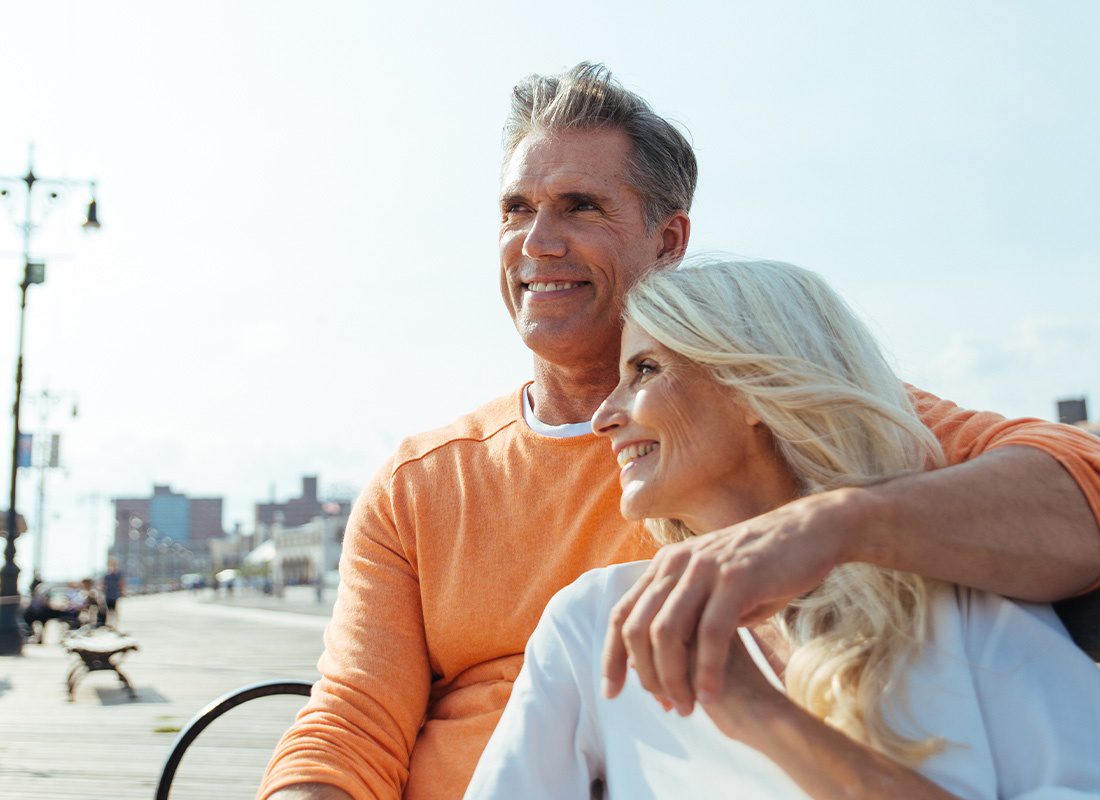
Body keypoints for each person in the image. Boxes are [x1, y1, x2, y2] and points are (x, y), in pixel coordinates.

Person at [260, 64, 1100, 800]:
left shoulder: (807, 412)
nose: (535, 242)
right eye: (516, 209)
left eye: (579, 206)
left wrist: (828, 523)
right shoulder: (422, 486)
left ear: (669, 241)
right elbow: (351, 725)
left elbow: (1079, 483)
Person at [466, 259, 1100, 799]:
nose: (604, 416)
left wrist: (759, 716)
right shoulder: (596, 622)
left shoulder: (961, 598)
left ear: (752, 389)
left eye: (646, 371)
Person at [102, 558, 124, 628]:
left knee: (115, 610)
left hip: (115, 594)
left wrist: (122, 591)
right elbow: (103, 584)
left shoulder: (117, 574)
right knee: (108, 610)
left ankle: (116, 624)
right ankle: (109, 624)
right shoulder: (106, 575)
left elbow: (121, 583)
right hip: (108, 594)